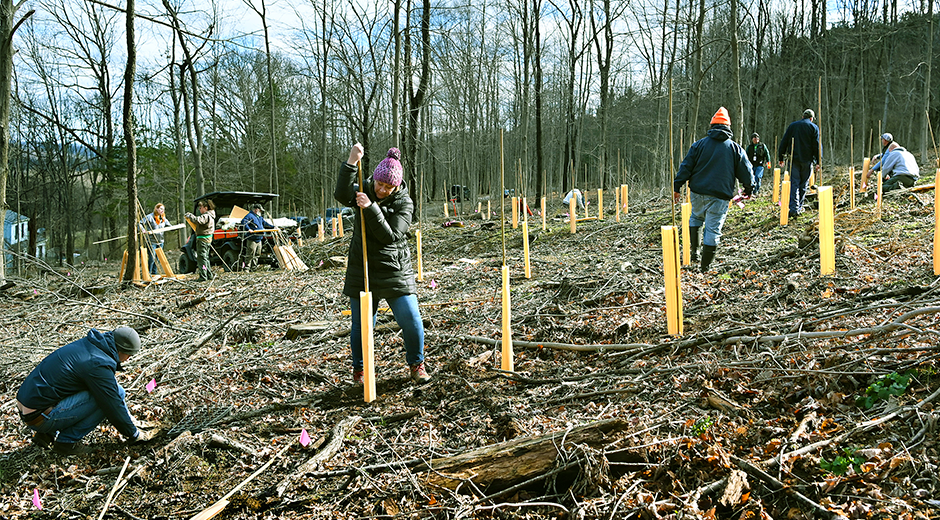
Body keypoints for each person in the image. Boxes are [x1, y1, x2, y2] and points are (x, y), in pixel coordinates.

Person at [334, 144, 430, 384]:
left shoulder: (405, 203)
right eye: (379, 184)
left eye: (388, 187)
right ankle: (361, 371)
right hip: (362, 267)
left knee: (411, 319)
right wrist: (351, 163)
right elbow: (341, 193)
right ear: (374, 178)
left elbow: (390, 236)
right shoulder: (364, 187)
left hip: (394, 270)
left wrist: (370, 207)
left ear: (396, 186)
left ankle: (417, 364)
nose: (382, 190)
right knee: (361, 326)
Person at [16, 327, 154, 455]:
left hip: (29, 406)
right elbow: (113, 405)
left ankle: (47, 435)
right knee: (108, 398)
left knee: (113, 391)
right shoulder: (98, 363)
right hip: (40, 417)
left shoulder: (91, 345)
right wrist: (134, 435)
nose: (129, 358)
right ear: (120, 351)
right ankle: (66, 442)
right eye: (129, 354)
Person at [673, 107, 753, 272]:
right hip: (720, 196)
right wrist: (748, 188)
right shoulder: (735, 148)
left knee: (696, 217)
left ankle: (694, 251)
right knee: (713, 229)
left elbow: (685, 167)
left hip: (697, 192)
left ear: (712, 126)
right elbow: (746, 170)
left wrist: (677, 187)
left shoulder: (699, 145)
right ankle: (705, 267)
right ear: (728, 128)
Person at [777, 109, 821, 217]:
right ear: (811, 118)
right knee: (803, 185)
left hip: (794, 160)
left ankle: (793, 208)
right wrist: (819, 161)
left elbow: (784, 141)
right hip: (807, 161)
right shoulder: (813, 127)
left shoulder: (793, 126)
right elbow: (817, 145)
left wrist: (781, 157)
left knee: (794, 184)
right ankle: (799, 206)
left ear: (803, 116)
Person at [185, 199, 216, 282]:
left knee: (201, 259)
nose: (199, 209)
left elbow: (198, 220)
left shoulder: (206, 215)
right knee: (205, 258)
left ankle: (203, 276)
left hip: (203, 239)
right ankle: (209, 275)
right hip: (207, 239)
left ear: (206, 207)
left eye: (200, 207)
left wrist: (190, 216)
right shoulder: (211, 215)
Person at [239, 204, 275, 271]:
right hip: (252, 238)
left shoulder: (259, 217)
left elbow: (265, 224)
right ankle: (247, 268)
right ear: (256, 209)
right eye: (260, 210)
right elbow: (244, 222)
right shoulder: (250, 215)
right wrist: (248, 229)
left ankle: (253, 268)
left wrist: (273, 227)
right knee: (250, 253)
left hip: (259, 238)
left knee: (257, 254)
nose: (261, 212)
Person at [139, 203, 170, 275]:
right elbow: (140, 223)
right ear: (156, 209)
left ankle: (154, 273)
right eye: (161, 209)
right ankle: (148, 274)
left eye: (163, 209)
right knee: (152, 258)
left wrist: (177, 226)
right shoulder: (150, 217)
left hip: (160, 241)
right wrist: (143, 230)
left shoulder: (163, 218)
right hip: (152, 241)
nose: (162, 211)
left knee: (158, 259)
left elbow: (169, 226)